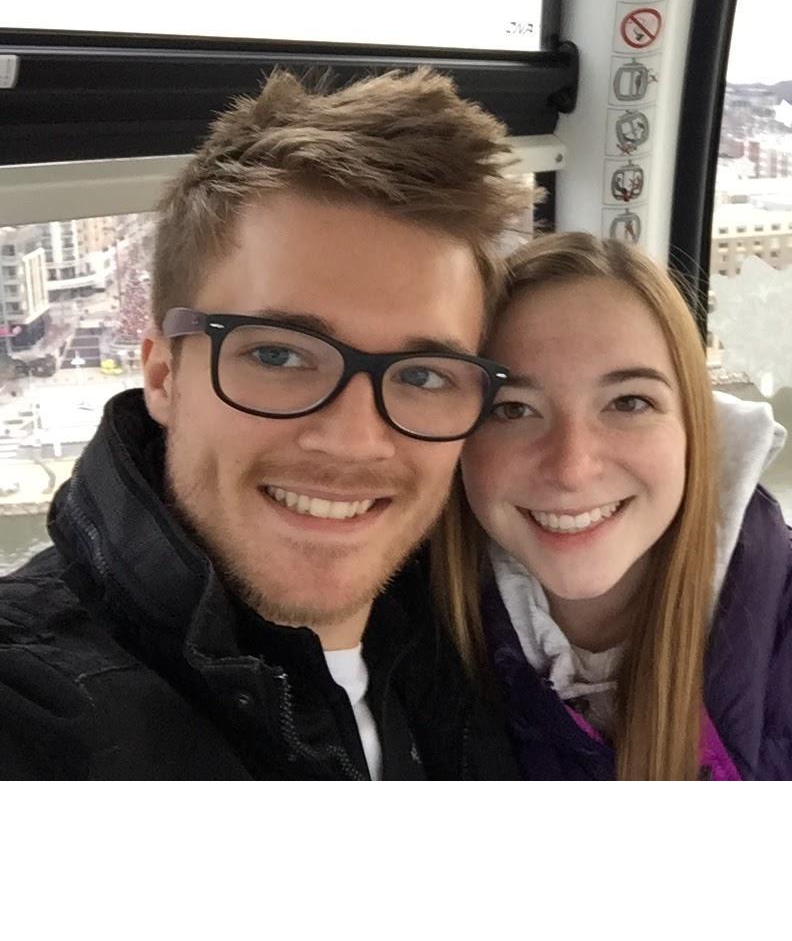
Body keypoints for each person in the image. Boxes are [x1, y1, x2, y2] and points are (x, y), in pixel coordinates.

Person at [0, 67, 531, 779]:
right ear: (163, 374)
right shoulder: (36, 705)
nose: (352, 438)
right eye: (280, 355)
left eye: (424, 375)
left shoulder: (484, 636)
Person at [433, 232, 792, 780]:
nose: (571, 467)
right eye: (513, 409)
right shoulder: (406, 618)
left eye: (629, 402)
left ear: (693, 428)